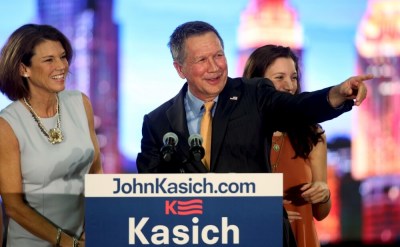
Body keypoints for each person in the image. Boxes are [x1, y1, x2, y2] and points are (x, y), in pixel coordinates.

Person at [136, 20, 372, 247]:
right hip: (196, 236)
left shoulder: (254, 94)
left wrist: (337, 94)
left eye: (218, 55)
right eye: (202, 60)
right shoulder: (158, 122)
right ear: (180, 69)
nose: (215, 66)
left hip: (260, 235)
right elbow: (151, 193)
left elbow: (297, 107)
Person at [0, 24, 102, 247]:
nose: (61, 66)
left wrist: (98, 225)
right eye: (49, 60)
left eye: (63, 57)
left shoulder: (80, 103)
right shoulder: (6, 125)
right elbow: (13, 206)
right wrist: (66, 242)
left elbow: (95, 170)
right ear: (23, 69)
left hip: (83, 238)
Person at [243, 44, 331, 247]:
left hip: (301, 239)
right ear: (257, 83)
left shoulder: (312, 134)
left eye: (293, 77)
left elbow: (321, 213)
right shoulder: (238, 134)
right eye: (279, 77)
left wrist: (323, 193)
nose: (290, 86)